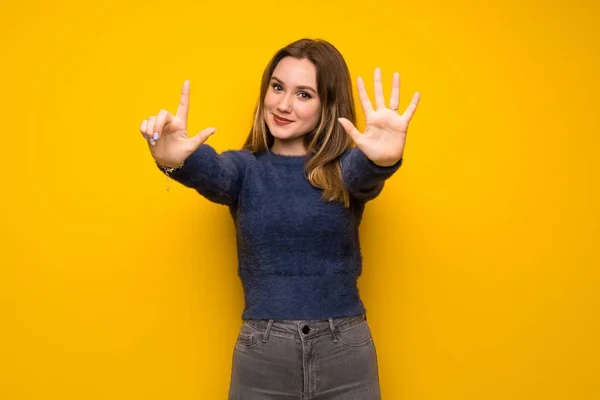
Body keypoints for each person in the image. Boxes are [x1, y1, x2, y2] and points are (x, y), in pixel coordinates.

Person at [140, 38, 420, 399]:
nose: (283, 105)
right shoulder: (244, 170)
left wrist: (381, 159)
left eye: (304, 94)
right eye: (277, 87)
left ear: (328, 105)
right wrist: (174, 159)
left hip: (345, 355)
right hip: (264, 358)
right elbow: (212, 172)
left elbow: (365, 174)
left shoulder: (343, 169)